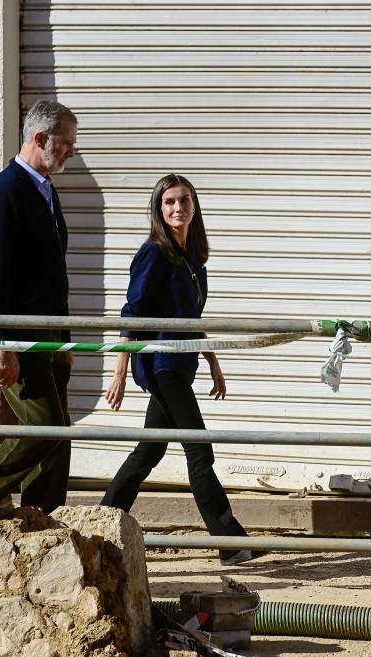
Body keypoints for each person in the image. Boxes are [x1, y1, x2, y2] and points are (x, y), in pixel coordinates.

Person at [100, 174, 265, 566]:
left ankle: (102, 521)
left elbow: (190, 318)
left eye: (184, 200)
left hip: (182, 363)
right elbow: (132, 313)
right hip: (161, 366)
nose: (178, 208)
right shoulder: (154, 253)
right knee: (198, 447)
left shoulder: (192, 257)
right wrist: (120, 369)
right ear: (159, 209)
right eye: (170, 201)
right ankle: (229, 541)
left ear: (194, 206)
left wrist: (213, 362)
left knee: (150, 449)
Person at [0, 100, 78, 514]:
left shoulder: (45, 190)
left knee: (58, 438)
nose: (72, 150)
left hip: (48, 331)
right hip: (17, 330)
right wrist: (4, 342)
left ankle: (43, 521)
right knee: (45, 428)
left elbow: (53, 271)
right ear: (39, 138)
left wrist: (65, 340)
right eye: (66, 143)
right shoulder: (5, 193)